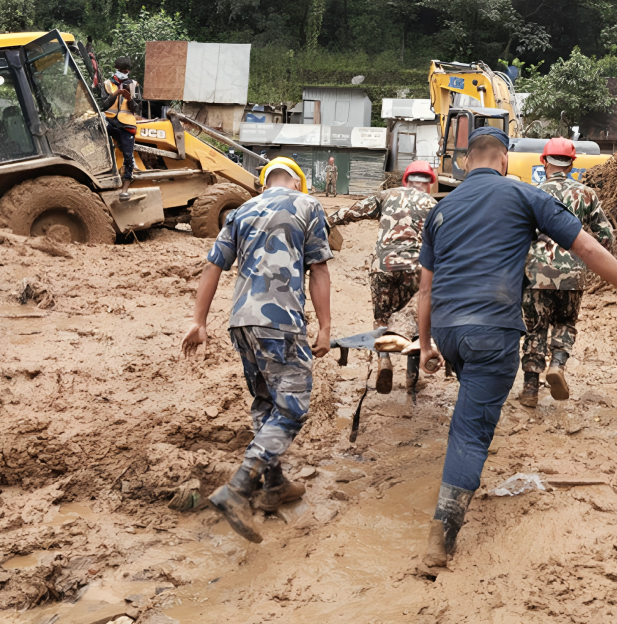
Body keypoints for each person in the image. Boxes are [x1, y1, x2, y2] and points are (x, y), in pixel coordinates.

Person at [416, 127, 617, 568]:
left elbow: (425, 290)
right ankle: (442, 536)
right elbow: (588, 246)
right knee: (470, 432)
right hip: (491, 330)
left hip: (449, 330)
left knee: (469, 406)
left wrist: (428, 344)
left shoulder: (441, 209)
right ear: (504, 160)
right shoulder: (524, 195)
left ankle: (457, 481)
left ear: (465, 162)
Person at [181, 156, 332, 543]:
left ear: (264, 184)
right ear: (297, 182)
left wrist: (199, 321)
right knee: (293, 408)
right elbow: (319, 269)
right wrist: (326, 325)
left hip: (241, 323)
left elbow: (212, 266)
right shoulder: (307, 205)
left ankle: (274, 485)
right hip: (280, 322)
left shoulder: (242, 210)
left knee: (266, 403)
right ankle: (239, 487)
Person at [518, 138, 614, 407]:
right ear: (572, 164)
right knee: (565, 322)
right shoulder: (587, 194)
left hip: (536, 273)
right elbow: (606, 236)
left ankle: (529, 390)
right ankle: (557, 366)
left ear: (543, 161)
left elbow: (519, 235)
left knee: (535, 328)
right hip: (573, 273)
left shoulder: (532, 193)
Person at [327, 161, 437, 392]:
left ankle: (384, 361)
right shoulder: (432, 204)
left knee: (382, 320)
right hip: (416, 269)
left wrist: (328, 221)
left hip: (382, 268)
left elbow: (352, 212)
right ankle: (411, 375)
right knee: (415, 321)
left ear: (405, 180)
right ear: (429, 185)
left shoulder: (386, 195)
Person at [100, 56, 141, 197]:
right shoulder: (107, 84)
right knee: (100, 146)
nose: (125, 73)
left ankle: (125, 188)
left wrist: (130, 99)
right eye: (122, 70)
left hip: (126, 124)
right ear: (116, 69)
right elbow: (103, 105)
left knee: (128, 157)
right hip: (110, 122)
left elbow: (136, 109)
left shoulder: (134, 84)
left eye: (126, 70)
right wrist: (116, 93)